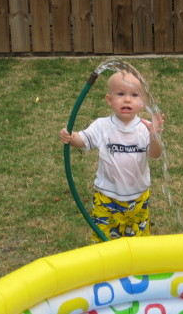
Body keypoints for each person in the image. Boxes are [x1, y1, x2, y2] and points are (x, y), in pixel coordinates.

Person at [59, 70, 164, 243]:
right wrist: (71, 137)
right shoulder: (102, 126)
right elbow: (82, 140)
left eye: (134, 95)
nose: (127, 99)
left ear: (143, 102)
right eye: (120, 94)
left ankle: (135, 269)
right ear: (109, 100)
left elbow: (155, 154)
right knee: (104, 242)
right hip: (106, 198)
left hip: (138, 199)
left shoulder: (145, 128)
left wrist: (154, 136)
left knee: (138, 243)